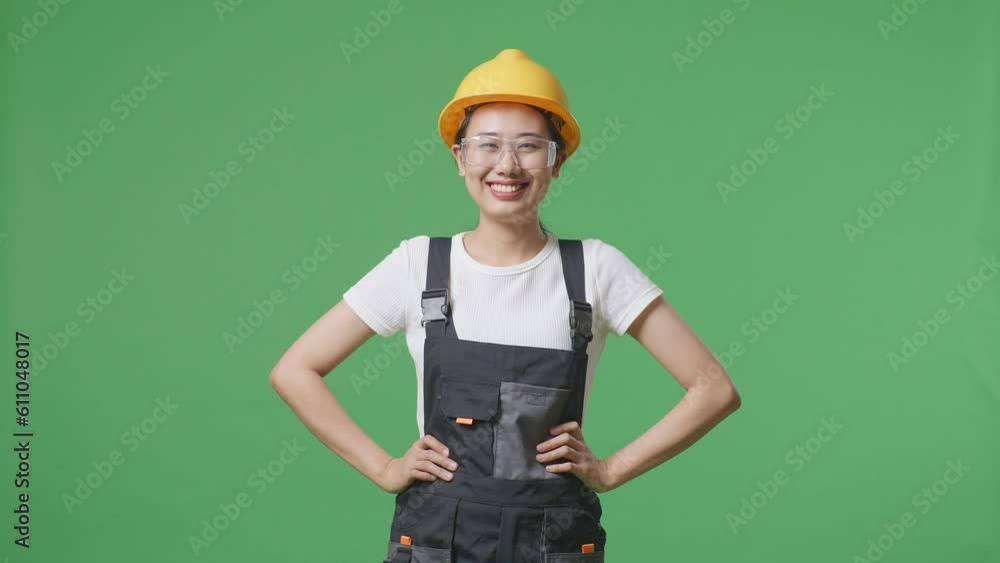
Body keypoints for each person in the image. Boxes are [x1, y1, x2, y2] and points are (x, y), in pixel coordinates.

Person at [269, 48, 742, 563]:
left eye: (529, 147)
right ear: (460, 158)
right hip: (437, 538)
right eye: (487, 145)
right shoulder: (418, 265)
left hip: (553, 538)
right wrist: (384, 468)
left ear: (557, 161)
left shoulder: (596, 269)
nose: (507, 165)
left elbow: (713, 389)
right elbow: (295, 370)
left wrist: (611, 470)